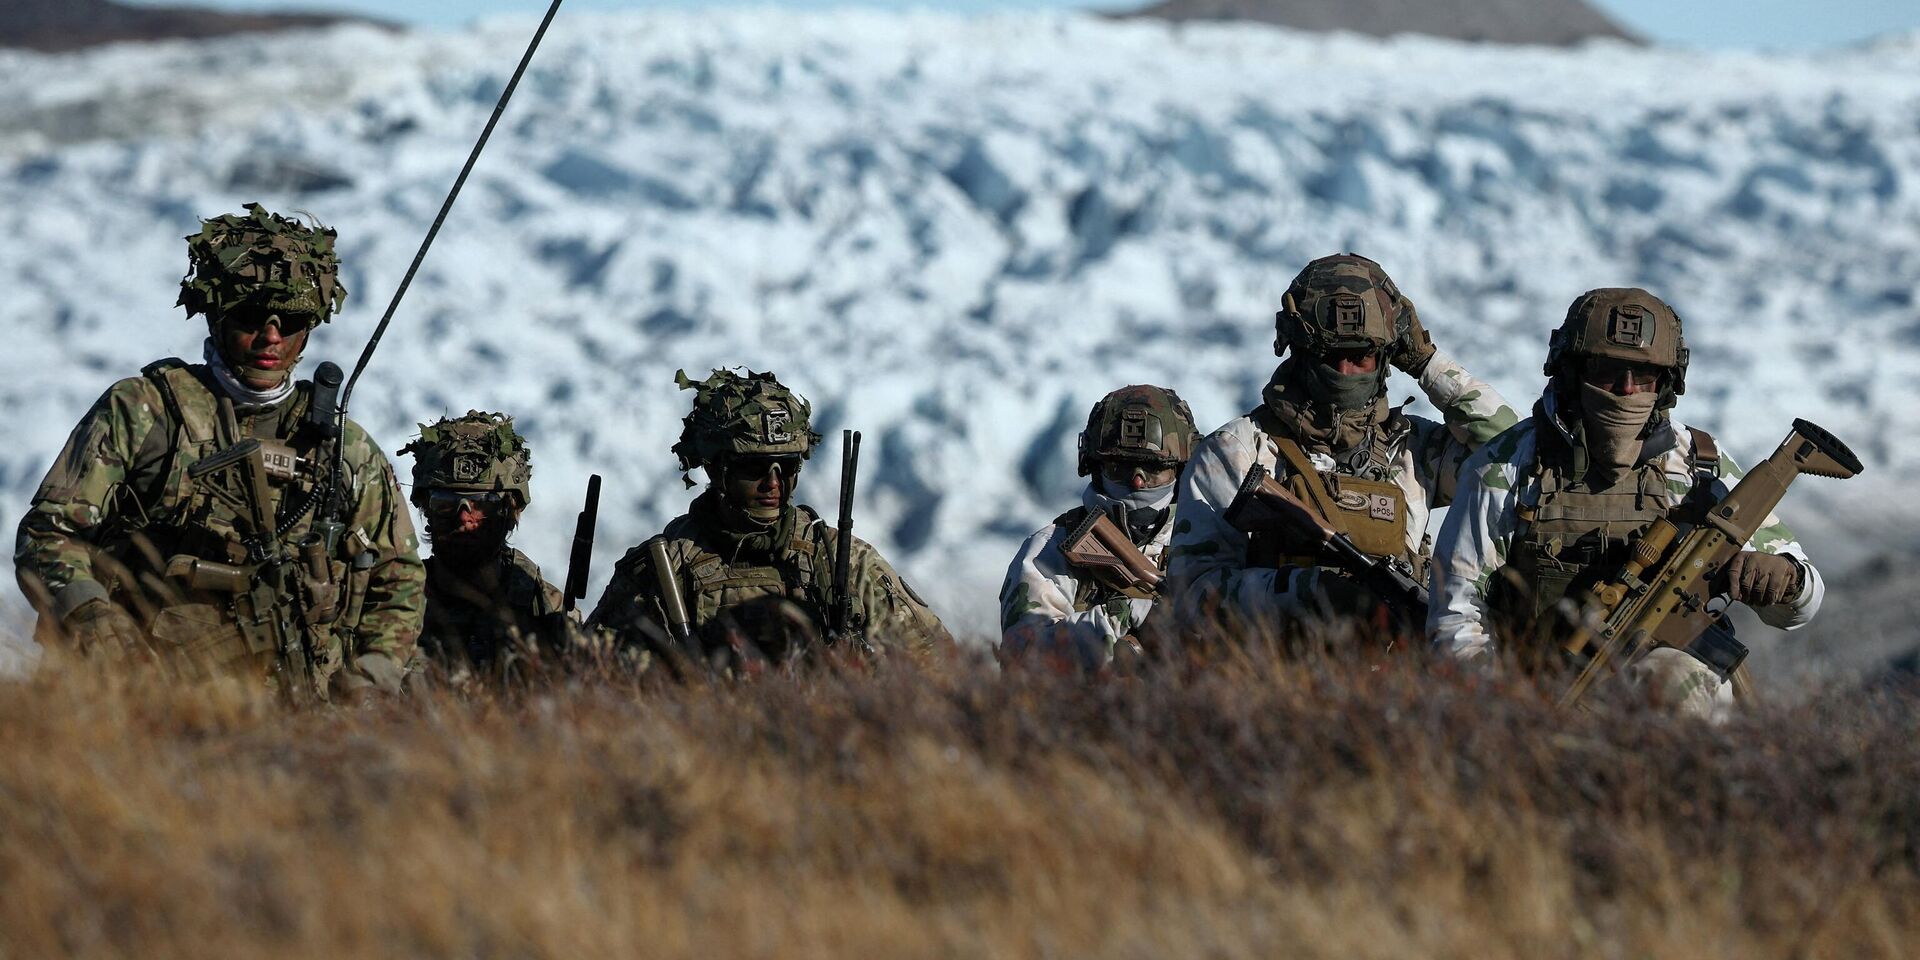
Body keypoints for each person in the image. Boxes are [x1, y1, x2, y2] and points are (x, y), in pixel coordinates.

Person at [14, 204, 423, 698]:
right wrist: (95, 620)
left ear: (309, 328)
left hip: (300, 709)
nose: (271, 336)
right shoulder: (147, 411)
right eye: (252, 316)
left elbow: (397, 576)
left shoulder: (344, 448)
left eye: (289, 319)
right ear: (217, 315)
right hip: (138, 695)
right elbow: (49, 532)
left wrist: (370, 677)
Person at [1428, 288, 1823, 719]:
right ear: (1572, 373)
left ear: (1667, 384)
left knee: (1674, 678)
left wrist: (1786, 578)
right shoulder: (1506, 467)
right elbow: (1457, 615)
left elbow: (1801, 606)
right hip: (1541, 695)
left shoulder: (1697, 467)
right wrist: (1502, 709)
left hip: (1672, 701)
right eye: (1607, 372)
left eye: (1645, 376)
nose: (1627, 390)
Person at [1167, 253, 1518, 642]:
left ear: (1387, 357)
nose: (1345, 372)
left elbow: (1508, 450)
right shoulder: (1236, 451)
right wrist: (1306, 592)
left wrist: (1426, 362)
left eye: (1361, 356)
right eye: (1329, 356)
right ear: (1299, 350)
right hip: (1273, 678)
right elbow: (1190, 599)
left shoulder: (1415, 451)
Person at [588, 369, 951, 670]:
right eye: (753, 468)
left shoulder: (841, 562)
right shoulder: (662, 570)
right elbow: (595, 679)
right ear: (717, 468)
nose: (774, 483)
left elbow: (939, 664)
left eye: (787, 466)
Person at [998, 384, 1199, 672]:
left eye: (1154, 468)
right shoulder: (1050, 551)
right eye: (1121, 467)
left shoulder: (1208, 539)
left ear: (1180, 469)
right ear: (1094, 465)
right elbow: (1022, 659)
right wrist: (1124, 616)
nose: (1138, 482)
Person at [400, 411, 580, 685]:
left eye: (482, 504)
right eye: (446, 504)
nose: (463, 518)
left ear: (510, 512)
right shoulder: (396, 602)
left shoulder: (545, 609)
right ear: (427, 511)